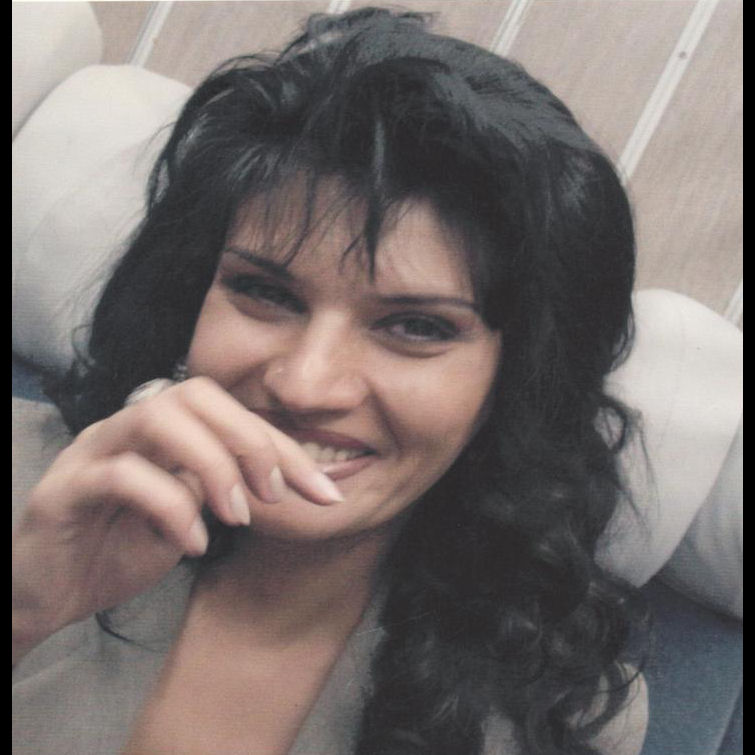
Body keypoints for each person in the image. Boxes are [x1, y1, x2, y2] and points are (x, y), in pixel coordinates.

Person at [12, 8, 649, 754]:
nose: (305, 385)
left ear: (515, 384)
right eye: (264, 293)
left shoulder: (562, 705)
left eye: (416, 327)